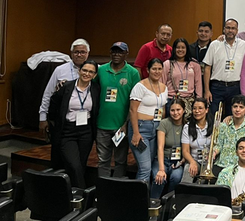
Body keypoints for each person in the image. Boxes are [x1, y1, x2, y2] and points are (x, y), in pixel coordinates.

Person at [48, 60, 100, 188]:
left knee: (81, 164)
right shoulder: (66, 87)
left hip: (86, 131)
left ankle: (72, 193)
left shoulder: (96, 89)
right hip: (68, 131)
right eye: (85, 70)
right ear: (79, 71)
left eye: (91, 72)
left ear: (94, 75)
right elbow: (53, 104)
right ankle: (82, 195)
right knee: (74, 164)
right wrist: (53, 123)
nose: (87, 74)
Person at [40, 38, 90, 169]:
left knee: (81, 160)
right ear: (71, 53)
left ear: (88, 54)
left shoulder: (94, 70)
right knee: (59, 156)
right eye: (76, 52)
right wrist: (42, 117)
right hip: (61, 121)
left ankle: (76, 187)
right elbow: (48, 94)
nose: (79, 55)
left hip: (85, 124)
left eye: (83, 52)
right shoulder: (60, 70)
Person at [95, 42, 140, 177]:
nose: (116, 54)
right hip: (102, 124)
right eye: (114, 51)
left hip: (121, 126)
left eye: (120, 52)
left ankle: (116, 190)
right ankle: (103, 190)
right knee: (103, 160)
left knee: (120, 161)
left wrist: (127, 124)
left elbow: (135, 102)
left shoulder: (133, 73)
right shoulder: (101, 70)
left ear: (126, 54)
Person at [129, 58, 168, 183]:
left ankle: (149, 198)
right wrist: (136, 133)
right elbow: (132, 110)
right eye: (154, 69)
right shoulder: (140, 86)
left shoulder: (164, 88)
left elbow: (163, 109)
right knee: (145, 168)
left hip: (156, 128)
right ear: (148, 70)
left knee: (150, 166)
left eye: (159, 69)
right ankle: (138, 201)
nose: (157, 71)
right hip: (141, 128)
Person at [203, 19, 245, 116]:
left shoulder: (244, 45)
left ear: (237, 30)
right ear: (224, 29)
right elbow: (207, 67)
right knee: (213, 116)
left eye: (233, 28)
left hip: (235, 87)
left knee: (232, 117)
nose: (230, 30)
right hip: (216, 87)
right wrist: (207, 90)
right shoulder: (215, 44)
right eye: (228, 28)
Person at [213, 95, 245, 178]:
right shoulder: (223, 126)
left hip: (240, 166)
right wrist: (213, 153)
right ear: (231, 108)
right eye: (235, 106)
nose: (237, 110)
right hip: (221, 164)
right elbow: (219, 145)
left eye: (241, 107)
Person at [150, 99, 185, 198]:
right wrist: (161, 169)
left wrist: (182, 161)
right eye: (172, 110)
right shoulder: (164, 123)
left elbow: (188, 148)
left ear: (184, 110)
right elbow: (160, 147)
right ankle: (153, 203)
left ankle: (168, 203)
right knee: (159, 178)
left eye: (178, 110)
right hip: (162, 160)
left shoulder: (187, 125)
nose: (175, 113)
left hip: (177, 162)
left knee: (176, 177)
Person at [161, 38, 202, 119]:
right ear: (174, 49)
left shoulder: (194, 64)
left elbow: (198, 84)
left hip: (190, 101)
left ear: (187, 49)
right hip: (172, 100)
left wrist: (199, 101)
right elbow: (161, 84)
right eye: (178, 47)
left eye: (183, 48)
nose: (180, 50)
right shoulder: (167, 64)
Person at [181, 97, 213, 183]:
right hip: (194, 160)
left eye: (200, 108)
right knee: (188, 170)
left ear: (206, 110)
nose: (197, 111)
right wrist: (192, 162)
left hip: (209, 162)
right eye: (194, 108)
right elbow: (185, 151)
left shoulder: (214, 126)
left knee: (203, 180)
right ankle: (183, 194)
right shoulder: (187, 127)